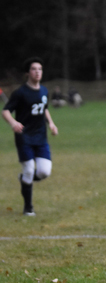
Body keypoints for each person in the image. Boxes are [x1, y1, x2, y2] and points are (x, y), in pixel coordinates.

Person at [2, 57, 59, 216]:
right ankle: (28, 207)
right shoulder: (20, 93)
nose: (37, 72)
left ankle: (25, 180)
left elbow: (44, 108)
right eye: (34, 69)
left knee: (44, 172)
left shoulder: (44, 91)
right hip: (24, 136)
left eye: (40, 69)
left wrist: (51, 124)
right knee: (29, 169)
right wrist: (13, 123)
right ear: (28, 73)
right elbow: (5, 111)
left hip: (41, 137)